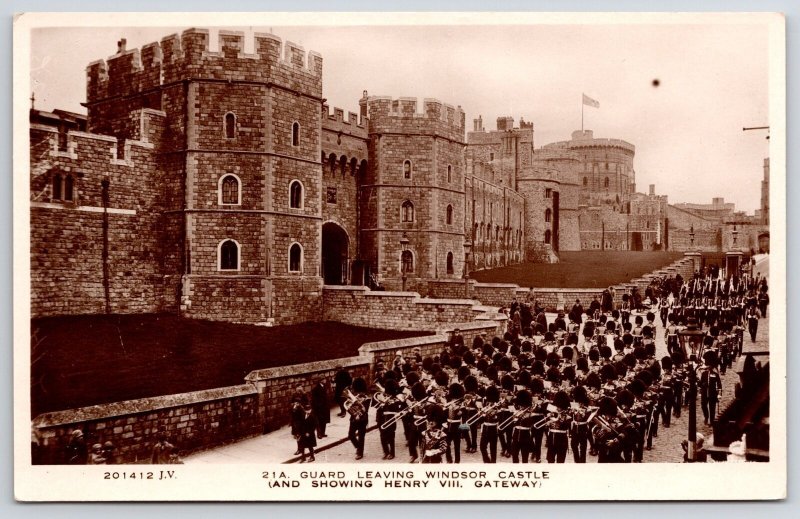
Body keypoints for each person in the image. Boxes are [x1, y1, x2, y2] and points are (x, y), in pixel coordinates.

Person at [347, 377, 370, 460]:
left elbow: (365, 409)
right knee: (350, 435)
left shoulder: (366, 398)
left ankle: (360, 452)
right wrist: (350, 406)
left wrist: (358, 403)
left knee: (361, 436)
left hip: (362, 419)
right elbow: (349, 409)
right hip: (353, 418)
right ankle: (358, 447)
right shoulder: (353, 396)